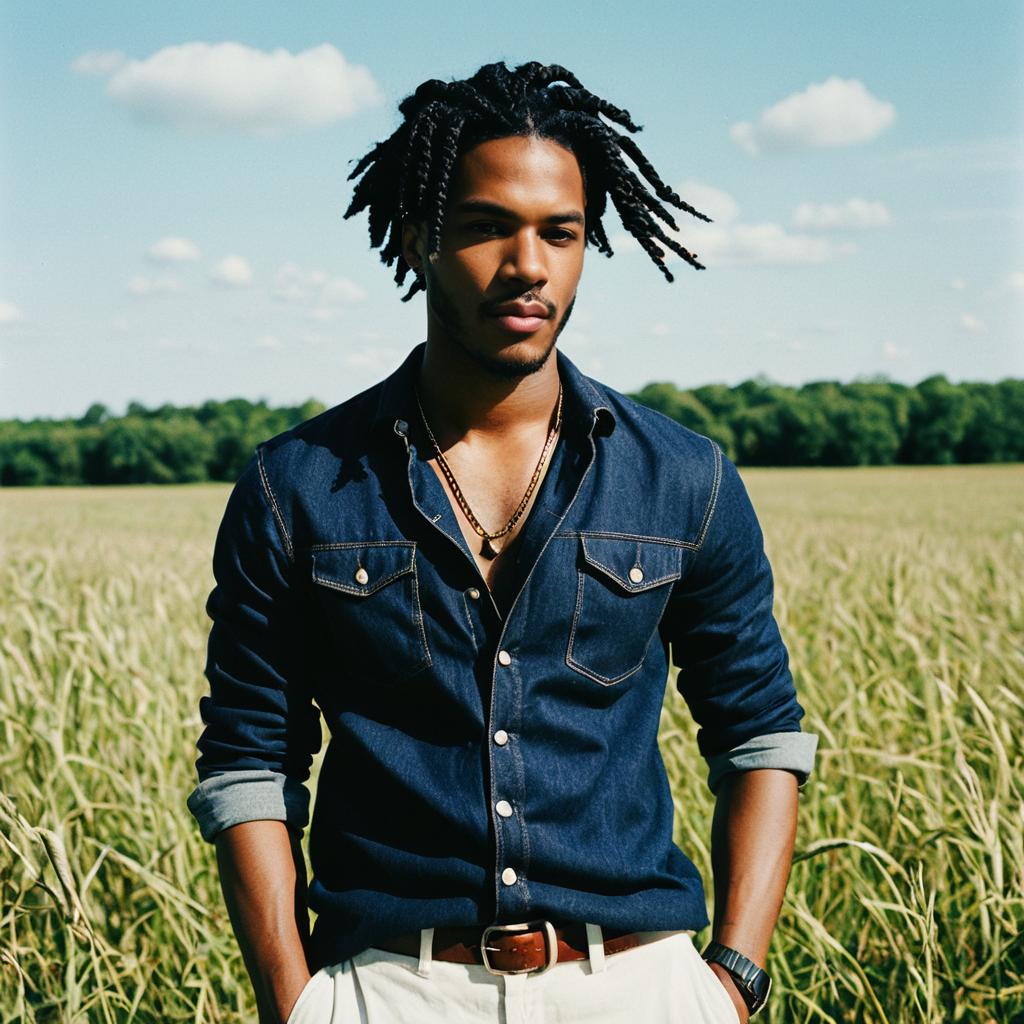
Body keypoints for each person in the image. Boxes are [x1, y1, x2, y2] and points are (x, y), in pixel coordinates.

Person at [186, 60, 818, 1024]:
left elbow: (761, 735)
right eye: (487, 226)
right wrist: (293, 1003)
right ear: (417, 235)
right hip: (390, 990)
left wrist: (732, 982)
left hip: (640, 986)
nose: (529, 265)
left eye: (559, 234)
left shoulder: (683, 478)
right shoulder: (296, 485)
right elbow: (249, 761)